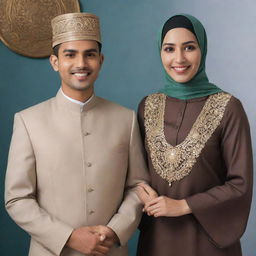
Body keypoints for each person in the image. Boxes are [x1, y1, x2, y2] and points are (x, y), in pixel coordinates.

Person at [5, 12, 148, 256]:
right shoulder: (28, 121)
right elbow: (17, 199)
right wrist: (68, 237)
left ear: (101, 60)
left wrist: (114, 231)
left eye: (89, 54)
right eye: (70, 54)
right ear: (55, 62)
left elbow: (138, 187)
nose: (81, 63)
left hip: (110, 251)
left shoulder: (126, 119)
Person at [136, 14, 253, 256]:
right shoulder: (147, 106)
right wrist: (139, 190)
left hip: (208, 242)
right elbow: (135, 172)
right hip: (158, 240)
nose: (179, 59)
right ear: (160, 52)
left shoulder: (228, 107)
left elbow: (240, 184)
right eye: (169, 49)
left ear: (203, 49)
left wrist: (183, 205)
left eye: (189, 47)